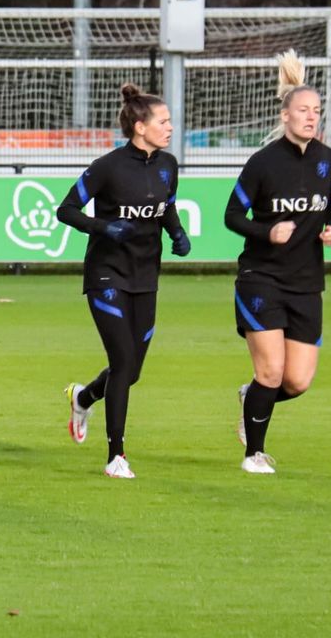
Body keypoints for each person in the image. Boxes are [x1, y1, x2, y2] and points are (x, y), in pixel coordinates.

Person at [57, 84, 190, 479]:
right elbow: (66, 210)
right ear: (139, 125)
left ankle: (83, 397)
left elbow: (166, 206)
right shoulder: (108, 166)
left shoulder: (168, 165)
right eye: (163, 121)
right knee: (122, 361)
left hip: (146, 275)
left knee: (130, 372)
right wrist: (102, 227)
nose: (170, 127)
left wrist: (176, 232)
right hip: (106, 274)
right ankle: (116, 456)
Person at [224, 50, 331, 475]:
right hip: (262, 279)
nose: (311, 118)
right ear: (286, 115)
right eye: (303, 111)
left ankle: (251, 396)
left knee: (297, 381)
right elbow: (232, 216)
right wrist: (266, 231)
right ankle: (253, 454)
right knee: (272, 371)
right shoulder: (263, 163)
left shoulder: (330, 161)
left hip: (307, 282)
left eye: (316, 111)